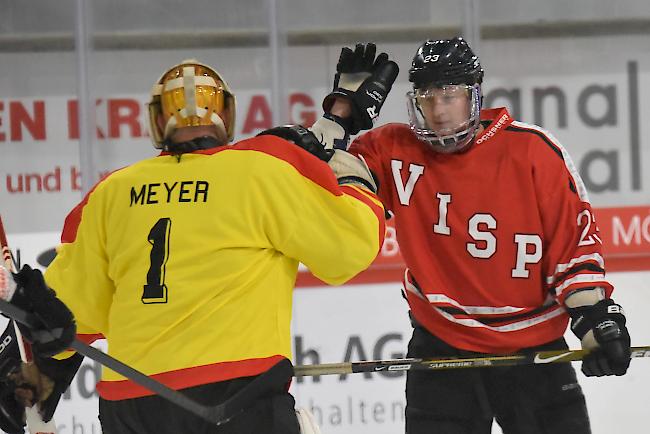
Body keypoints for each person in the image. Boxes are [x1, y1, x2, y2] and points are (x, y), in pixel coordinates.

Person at [0, 53, 397, 434]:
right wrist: (353, 176)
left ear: (157, 121)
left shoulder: (111, 193)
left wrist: (31, 372)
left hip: (133, 402)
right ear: (226, 115)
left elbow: (72, 314)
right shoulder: (262, 168)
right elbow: (350, 248)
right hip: (237, 392)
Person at [326, 37, 632, 433]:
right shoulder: (391, 151)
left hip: (533, 351)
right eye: (427, 97)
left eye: (449, 95)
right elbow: (318, 185)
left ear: (473, 94)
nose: (437, 110)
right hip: (441, 348)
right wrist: (340, 117)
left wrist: (595, 321)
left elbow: (573, 247)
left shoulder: (533, 153)